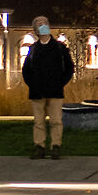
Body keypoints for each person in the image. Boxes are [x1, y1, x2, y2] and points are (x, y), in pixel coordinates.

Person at [21, 17, 76, 161]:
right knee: (38, 121)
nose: (43, 26)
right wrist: (32, 84)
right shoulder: (33, 49)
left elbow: (69, 67)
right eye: (39, 25)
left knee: (56, 121)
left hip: (55, 90)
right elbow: (26, 69)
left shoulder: (59, 47)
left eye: (45, 23)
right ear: (35, 30)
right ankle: (39, 147)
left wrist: (61, 82)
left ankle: (55, 146)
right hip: (37, 91)